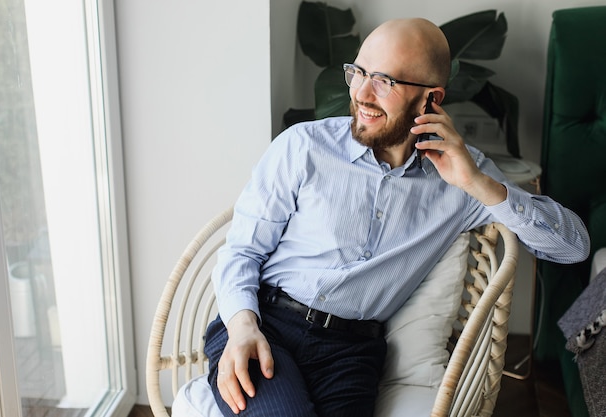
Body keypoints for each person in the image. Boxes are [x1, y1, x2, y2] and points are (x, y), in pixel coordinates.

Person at [203, 17, 590, 417]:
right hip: (263, 323)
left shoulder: (461, 177)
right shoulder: (302, 147)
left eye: (385, 81)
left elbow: (574, 248)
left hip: (349, 357)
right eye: (358, 73)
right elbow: (242, 252)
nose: (362, 94)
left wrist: (479, 184)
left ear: (431, 100)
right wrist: (242, 326)